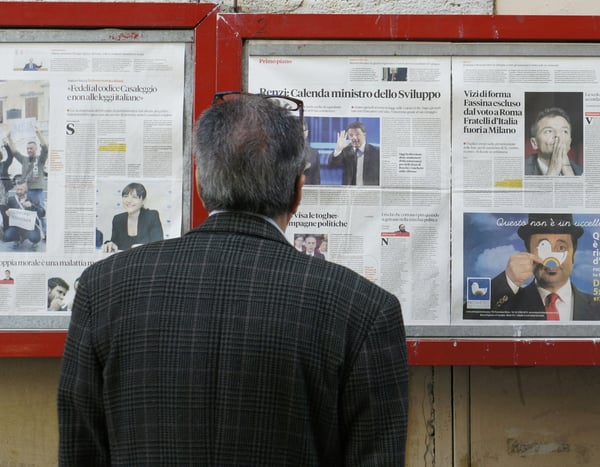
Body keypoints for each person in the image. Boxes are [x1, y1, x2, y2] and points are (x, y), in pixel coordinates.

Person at [58, 93, 409, 465]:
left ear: (200, 182)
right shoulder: (365, 310)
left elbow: (80, 452)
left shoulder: (103, 288)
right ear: (298, 191)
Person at [472, 213, 600, 321]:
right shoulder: (506, 304)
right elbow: (468, 320)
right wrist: (508, 280)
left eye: (561, 248)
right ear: (528, 252)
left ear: (573, 254)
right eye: (543, 248)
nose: (551, 259)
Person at [100, 182, 163, 253]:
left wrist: (143, 248)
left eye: (134, 197)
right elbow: (114, 243)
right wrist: (109, 244)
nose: (129, 200)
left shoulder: (151, 216)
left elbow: (158, 245)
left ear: (143, 201)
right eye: (125, 196)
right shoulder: (118, 219)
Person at [525, 107, 582, 176]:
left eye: (564, 131)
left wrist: (569, 173)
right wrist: (552, 172)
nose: (557, 135)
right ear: (534, 143)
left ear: (569, 142)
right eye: (548, 131)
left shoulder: (581, 172)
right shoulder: (521, 170)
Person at [4, 126, 48, 209]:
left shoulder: (40, 159)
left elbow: (45, 148)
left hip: (37, 191)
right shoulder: (24, 159)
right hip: (25, 192)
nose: (29, 150)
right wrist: (9, 138)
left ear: (36, 149)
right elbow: (14, 152)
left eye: (31, 148)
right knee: (27, 212)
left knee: (40, 212)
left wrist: (38, 133)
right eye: (27, 148)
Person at [328, 121, 380, 186]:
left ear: (364, 135)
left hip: (369, 191)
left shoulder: (376, 152)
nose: (354, 138)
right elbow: (332, 165)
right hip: (349, 191)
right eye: (351, 135)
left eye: (357, 134)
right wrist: (338, 149)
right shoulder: (345, 151)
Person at [4, 177, 44, 249]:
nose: (19, 191)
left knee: (35, 237)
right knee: (7, 235)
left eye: (21, 189)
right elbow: (7, 211)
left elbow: (42, 213)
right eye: (17, 189)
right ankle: (19, 238)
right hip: (17, 225)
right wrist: (7, 213)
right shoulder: (11, 199)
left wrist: (32, 206)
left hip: (31, 226)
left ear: (26, 189)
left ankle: (34, 241)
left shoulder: (33, 198)